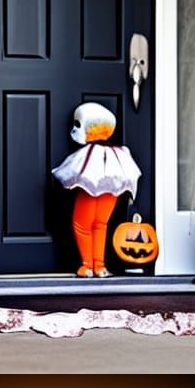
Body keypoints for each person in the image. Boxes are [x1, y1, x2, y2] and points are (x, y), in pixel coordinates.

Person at [51, 102, 141, 278]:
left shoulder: (88, 155)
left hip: (90, 187)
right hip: (112, 188)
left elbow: (72, 171)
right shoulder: (120, 153)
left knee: (82, 224)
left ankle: (87, 265)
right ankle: (100, 265)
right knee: (101, 224)